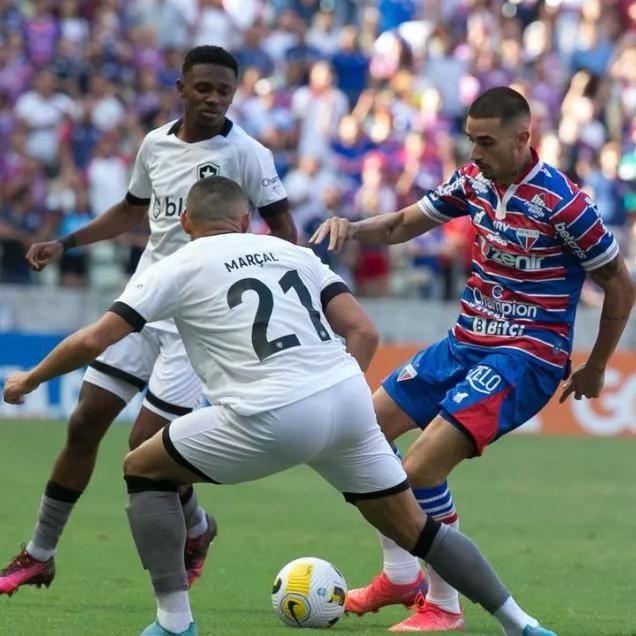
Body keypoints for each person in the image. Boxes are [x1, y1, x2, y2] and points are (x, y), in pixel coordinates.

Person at [3, 176, 556, 636]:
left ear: (185, 224)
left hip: (269, 413)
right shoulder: (292, 253)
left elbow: (95, 341)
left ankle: (173, 622)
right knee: (419, 527)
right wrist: (330, 394)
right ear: (246, 221)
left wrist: (32, 377)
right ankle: (521, 622)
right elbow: (363, 330)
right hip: (347, 403)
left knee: (142, 468)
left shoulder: (176, 264)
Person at [310, 87, 635, 632]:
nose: (476, 152)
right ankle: (399, 575)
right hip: (463, 343)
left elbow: (620, 286)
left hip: (525, 356)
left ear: (522, 137)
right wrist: (351, 228)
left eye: (486, 142)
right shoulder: (473, 180)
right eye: (471, 140)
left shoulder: (565, 203)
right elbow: (403, 225)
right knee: (361, 437)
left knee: (418, 470)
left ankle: (444, 604)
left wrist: (598, 364)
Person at [0, 45, 296, 596]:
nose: (213, 99)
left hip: (196, 321)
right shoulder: (155, 144)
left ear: (234, 94)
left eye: (224, 91)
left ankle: (197, 527)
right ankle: (39, 554)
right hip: (144, 301)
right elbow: (132, 212)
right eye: (203, 88)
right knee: (84, 422)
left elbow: (285, 232)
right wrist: (66, 241)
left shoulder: (248, 154)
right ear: (181, 86)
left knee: (144, 448)